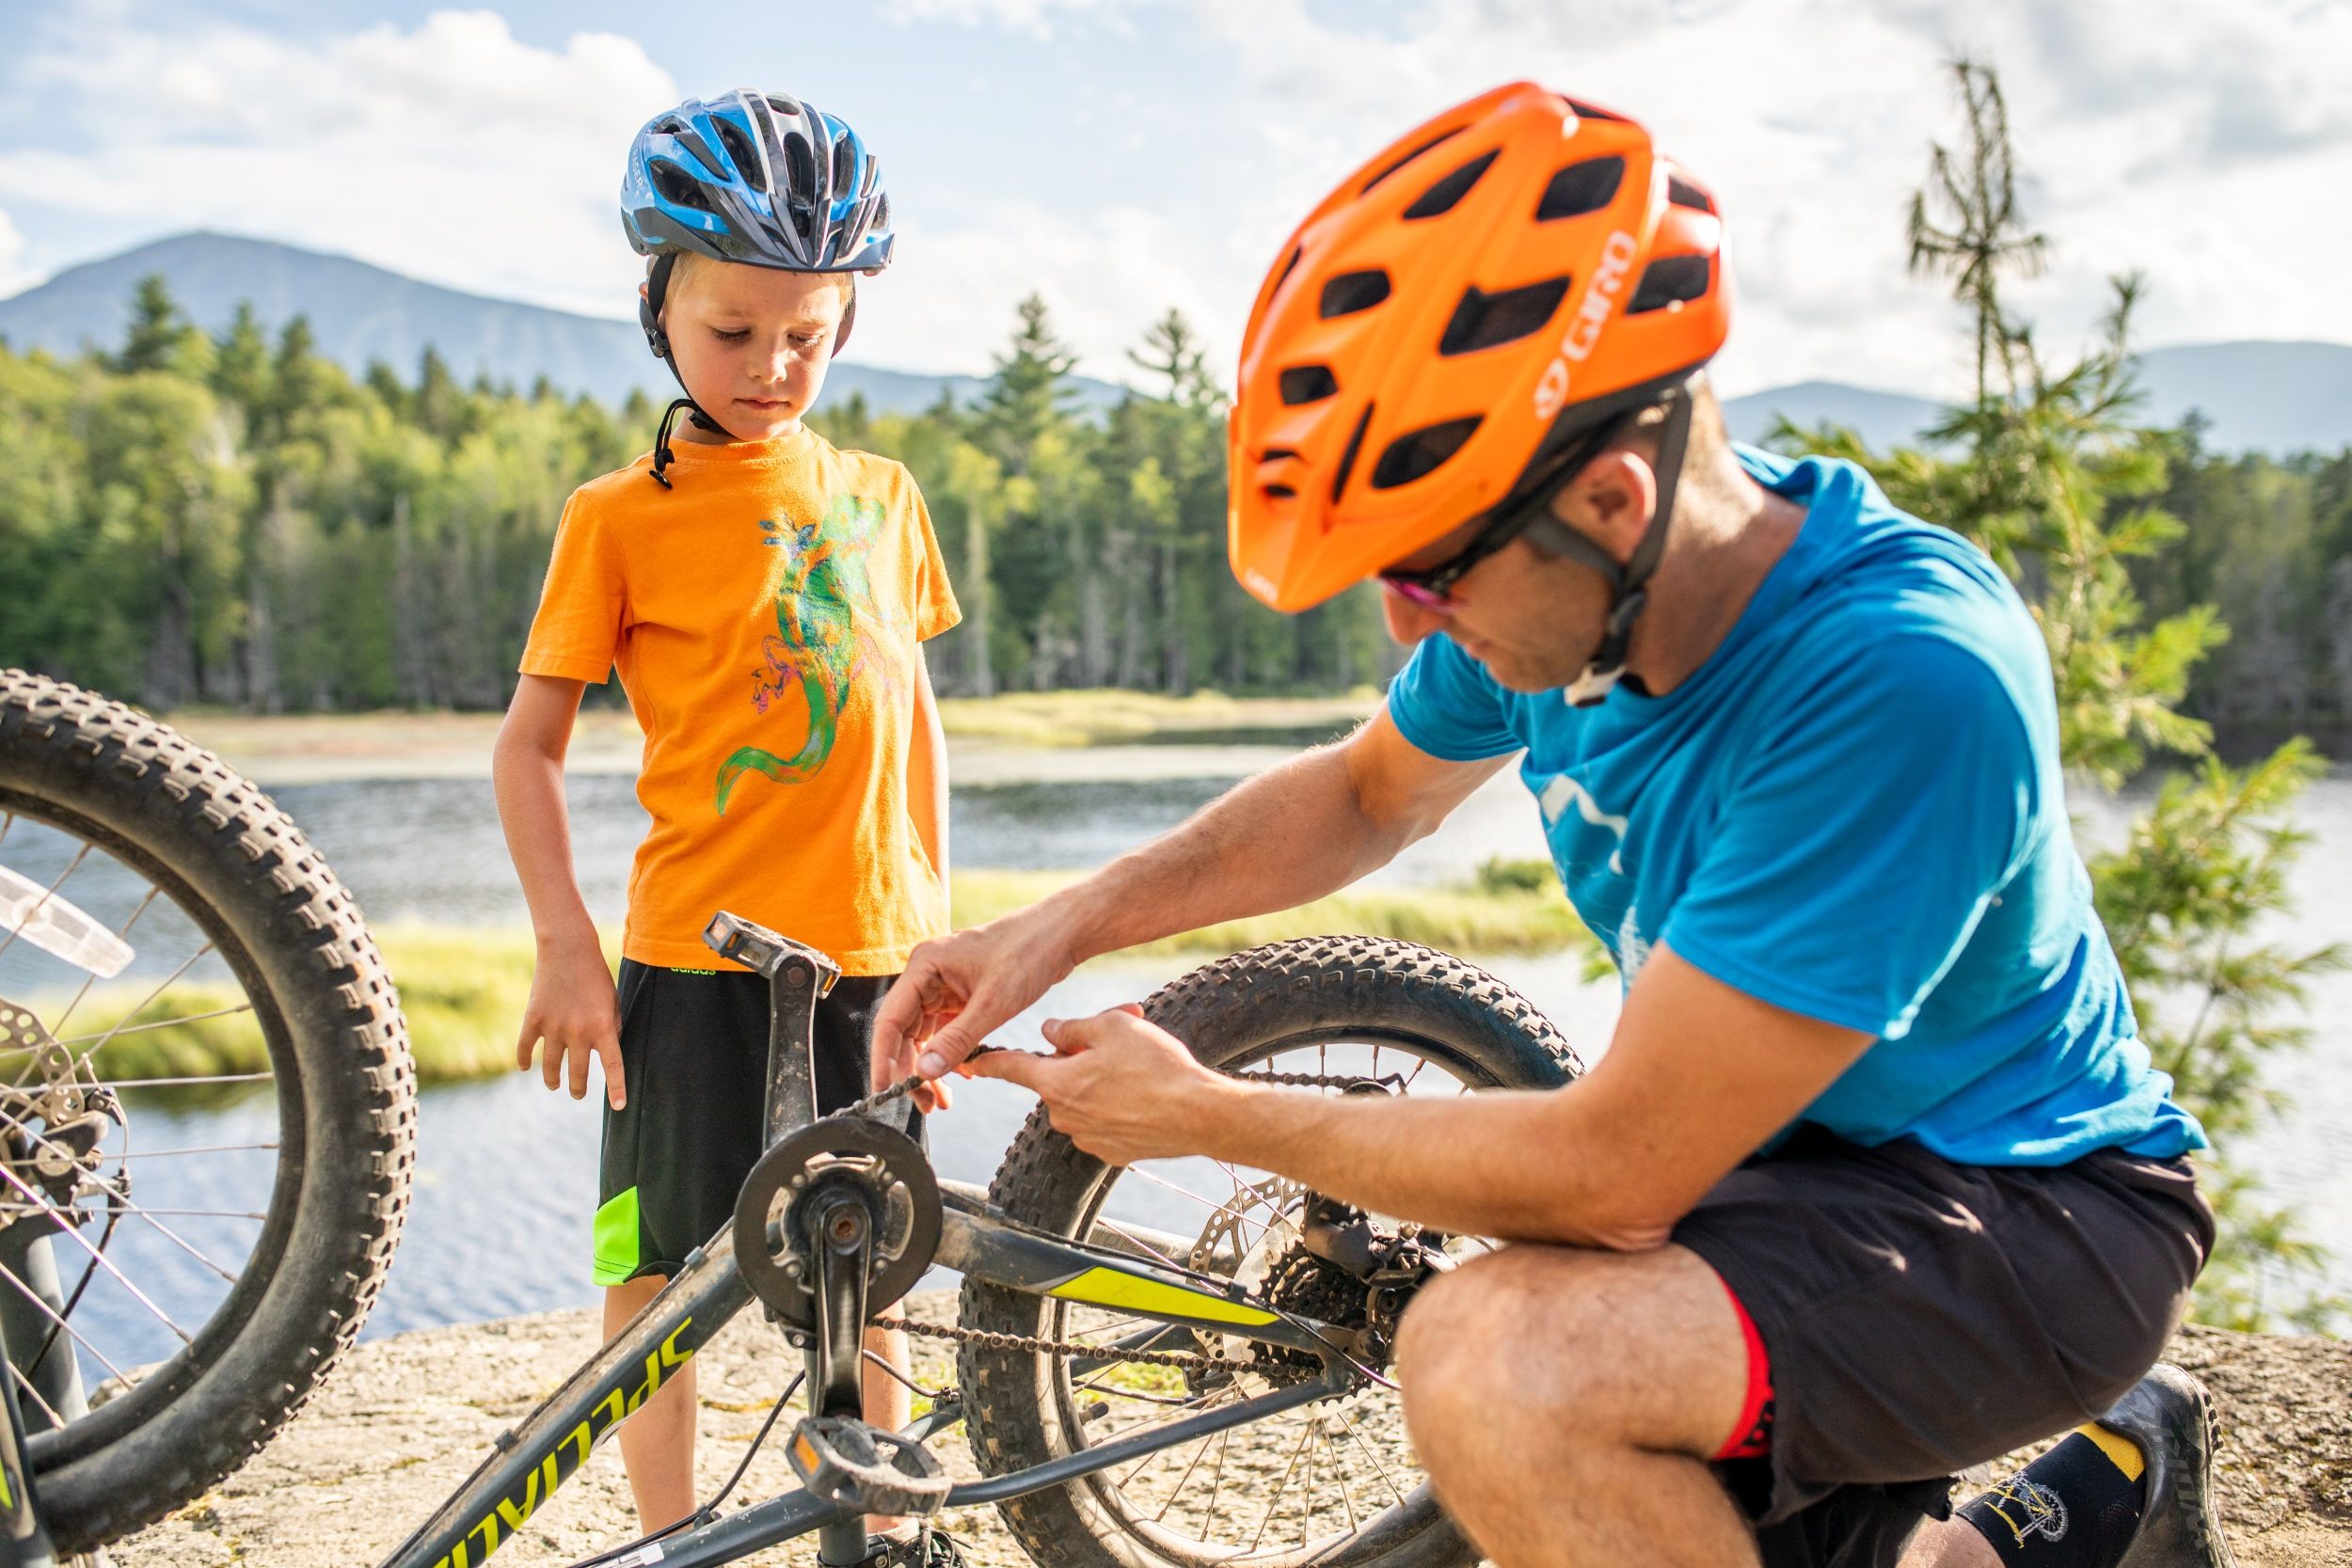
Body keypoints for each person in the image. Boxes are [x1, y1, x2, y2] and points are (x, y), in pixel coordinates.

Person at [874, 83, 2232, 1568]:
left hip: (2026, 1215)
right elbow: (1362, 793)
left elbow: (1615, 1168)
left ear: (1610, 494)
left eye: (1430, 575)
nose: (1405, 620)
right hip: (1787, 1177)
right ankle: (2102, 1508)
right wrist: (1053, 927)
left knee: (1503, 1366)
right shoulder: (1561, 611)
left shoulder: (1902, 680)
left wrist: (1202, 1115)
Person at [493, 89, 962, 1566]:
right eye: (733, 331)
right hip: (687, 969)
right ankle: (667, 1539)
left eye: (808, 335)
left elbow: (920, 728)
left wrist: (936, 944)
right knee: (656, 1279)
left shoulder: (884, 500)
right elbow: (528, 750)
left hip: (869, 965)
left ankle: (882, 1520)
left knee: (871, 1264)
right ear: (661, 314)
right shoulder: (616, 516)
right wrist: (566, 950)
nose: (773, 367)